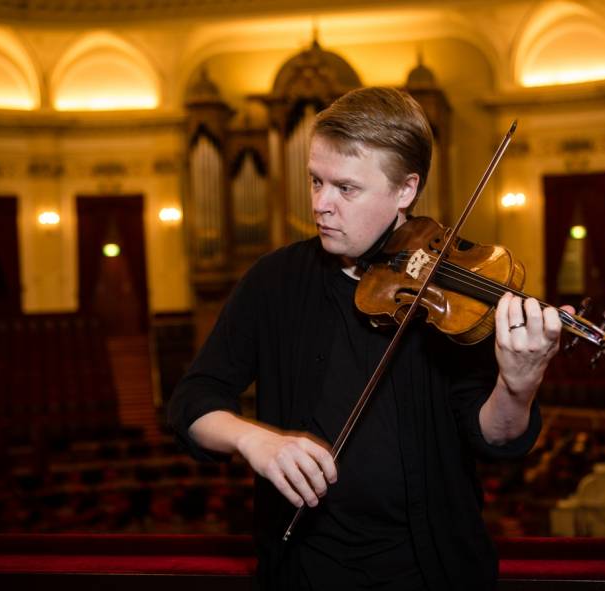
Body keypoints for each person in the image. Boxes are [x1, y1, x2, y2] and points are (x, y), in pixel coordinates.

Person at [169, 87, 566, 590]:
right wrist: (254, 440)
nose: (320, 205)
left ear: (405, 190)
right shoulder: (275, 280)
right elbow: (192, 402)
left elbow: (497, 436)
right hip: (305, 573)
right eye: (316, 181)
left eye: (346, 188)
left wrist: (519, 384)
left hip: (432, 573)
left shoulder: (448, 296)